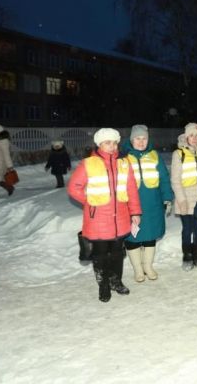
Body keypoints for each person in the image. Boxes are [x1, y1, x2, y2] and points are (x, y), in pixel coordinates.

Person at [67, 128, 142, 303]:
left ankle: (116, 281)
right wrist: (89, 201)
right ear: (99, 144)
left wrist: (135, 212)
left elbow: (131, 189)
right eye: (107, 142)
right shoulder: (89, 163)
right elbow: (73, 188)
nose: (112, 146)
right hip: (98, 219)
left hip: (121, 218)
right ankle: (104, 285)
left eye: (114, 142)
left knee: (117, 253)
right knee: (100, 254)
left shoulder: (124, 163)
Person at [122, 125, 174, 283]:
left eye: (144, 138)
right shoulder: (123, 157)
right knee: (133, 237)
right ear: (132, 140)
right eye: (138, 138)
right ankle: (138, 269)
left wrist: (167, 197)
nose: (141, 141)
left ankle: (148, 267)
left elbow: (164, 178)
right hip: (130, 204)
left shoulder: (154, 155)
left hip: (153, 203)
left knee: (150, 235)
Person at [171, 122, 197, 270]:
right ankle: (187, 256)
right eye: (191, 135)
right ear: (186, 136)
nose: (194, 138)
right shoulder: (179, 153)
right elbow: (175, 179)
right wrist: (181, 199)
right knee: (187, 229)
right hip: (186, 198)